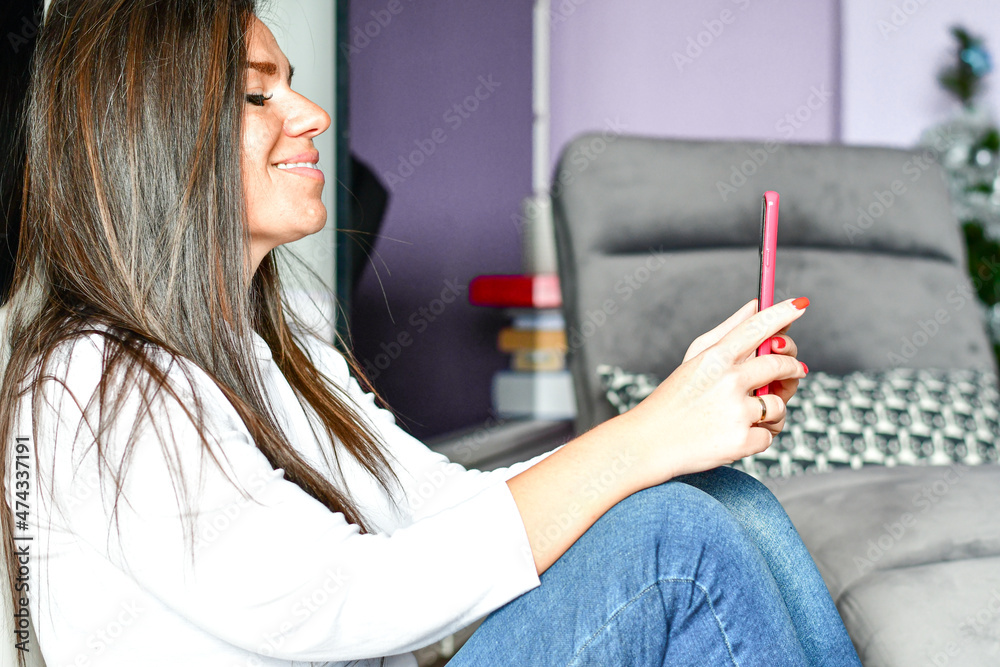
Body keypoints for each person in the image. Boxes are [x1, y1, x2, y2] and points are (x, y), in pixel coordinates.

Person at [0, 1, 862, 665]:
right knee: (673, 538)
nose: (311, 114)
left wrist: (673, 426)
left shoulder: (278, 348)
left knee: (723, 497)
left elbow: (440, 505)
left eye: (290, 83)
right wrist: (644, 437)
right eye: (258, 93)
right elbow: (338, 600)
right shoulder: (90, 382)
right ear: (148, 136)